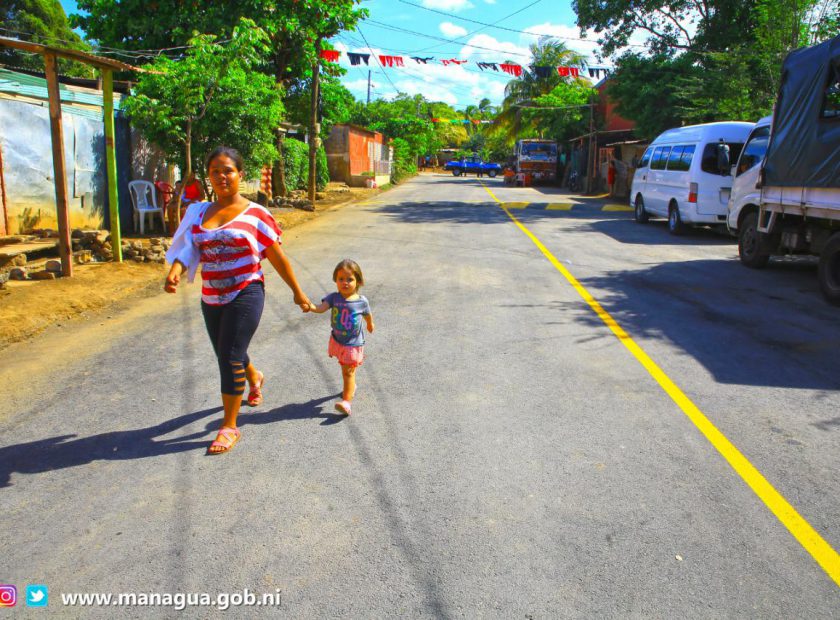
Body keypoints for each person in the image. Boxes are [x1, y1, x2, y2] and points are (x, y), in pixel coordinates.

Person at [164, 146, 312, 455]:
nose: (221, 176)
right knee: (229, 350)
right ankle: (254, 376)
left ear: (240, 174)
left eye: (228, 170)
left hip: (246, 291)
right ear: (209, 176)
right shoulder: (199, 212)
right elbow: (191, 249)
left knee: (228, 357)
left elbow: (277, 256)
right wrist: (176, 271)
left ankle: (229, 426)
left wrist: (297, 292)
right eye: (215, 171)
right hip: (211, 296)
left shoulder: (256, 213)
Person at [308, 259, 374, 416]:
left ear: (358, 280)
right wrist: (309, 306)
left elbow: (367, 314)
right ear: (335, 280)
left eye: (350, 279)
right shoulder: (333, 298)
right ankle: (351, 387)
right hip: (338, 341)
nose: (345, 283)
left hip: (353, 344)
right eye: (341, 279)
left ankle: (346, 402)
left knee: (347, 373)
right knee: (346, 370)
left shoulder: (361, 301)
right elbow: (320, 308)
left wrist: (370, 324)